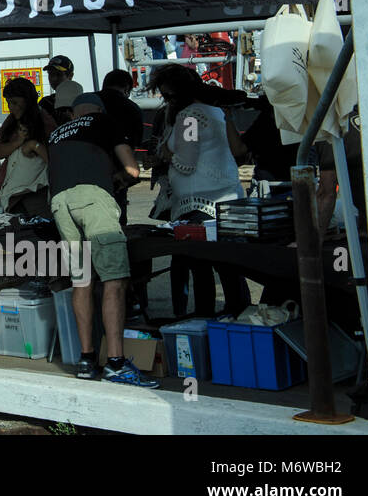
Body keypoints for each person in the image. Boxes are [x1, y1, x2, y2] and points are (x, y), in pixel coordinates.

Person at [45, 93, 155, 386]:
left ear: (74, 112)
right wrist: (119, 179)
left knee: (81, 281)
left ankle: (86, 360)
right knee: (114, 280)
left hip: (60, 203)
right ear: (99, 109)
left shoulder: (57, 133)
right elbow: (133, 170)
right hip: (92, 200)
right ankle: (117, 363)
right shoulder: (104, 122)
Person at [149, 64, 251, 317]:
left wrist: (165, 154)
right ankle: (237, 315)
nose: (167, 101)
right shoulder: (215, 111)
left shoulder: (190, 117)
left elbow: (186, 161)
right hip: (226, 197)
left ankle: (204, 318)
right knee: (229, 267)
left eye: (169, 96)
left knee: (201, 266)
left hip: (200, 204)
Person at [0, 77, 57, 217]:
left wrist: (34, 145)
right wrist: (18, 142)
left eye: (14, 102)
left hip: (36, 193)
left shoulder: (45, 122)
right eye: (8, 103)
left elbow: (54, 160)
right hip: (10, 193)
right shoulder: (11, 122)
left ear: (27, 100)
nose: (11, 107)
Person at [99, 69, 144, 225]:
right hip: (117, 175)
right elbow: (133, 146)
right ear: (126, 88)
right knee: (116, 222)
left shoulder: (91, 102)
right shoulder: (131, 108)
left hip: (88, 172)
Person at [41, 55, 83, 125]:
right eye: (51, 74)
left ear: (70, 76)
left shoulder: (82, 101)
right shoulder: (45, 102)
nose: (54, 78)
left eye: (58, 74)